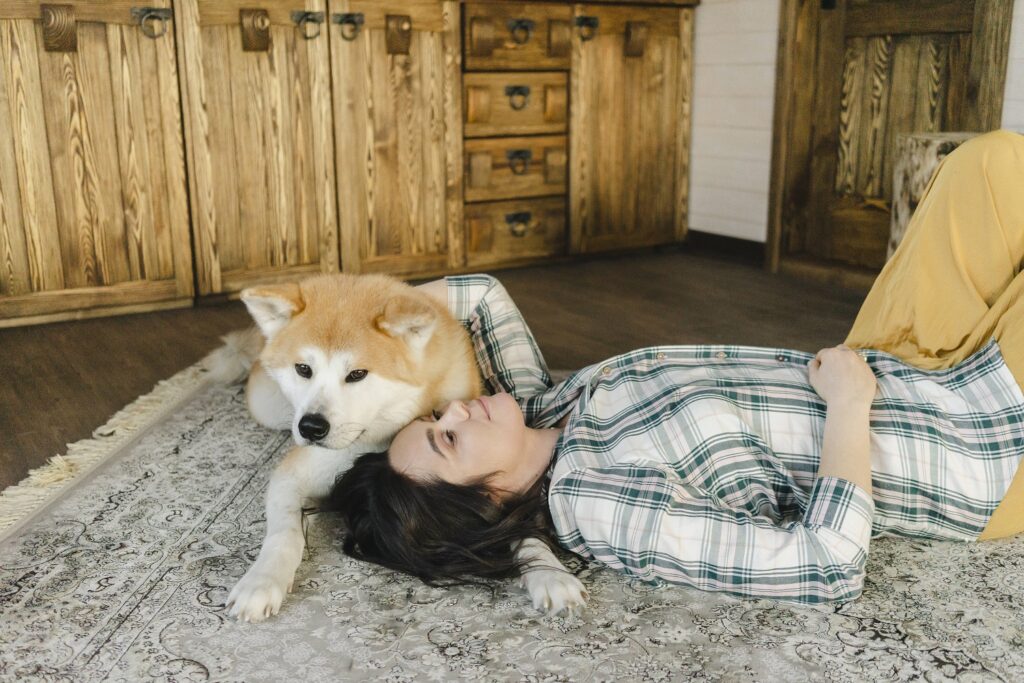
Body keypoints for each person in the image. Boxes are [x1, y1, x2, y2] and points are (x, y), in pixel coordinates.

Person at [329, 130, 1024, 604]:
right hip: (971, 447)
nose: (454, 408)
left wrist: (347, 327)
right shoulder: (596, 504)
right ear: (487, 499)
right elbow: (825, 565)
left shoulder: (542, 407)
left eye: (433, 415)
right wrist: (848, 405)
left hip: (893, 361)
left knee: (986, 167)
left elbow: (478, 297)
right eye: (447, 437)